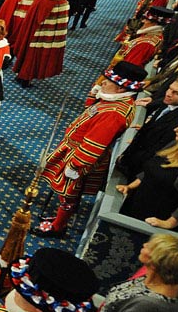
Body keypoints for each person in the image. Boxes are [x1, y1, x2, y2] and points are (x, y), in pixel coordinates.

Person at [35, 62, 148, 237]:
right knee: (68, 192)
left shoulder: (114, 113)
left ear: (120, 88)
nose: (103, 82)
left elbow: (95, 143)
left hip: (79, 157)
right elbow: (90, 111)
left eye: (108, 81)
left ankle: (58, 226)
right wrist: (93, 94)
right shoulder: (115, 100)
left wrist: (75, 165)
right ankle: (59, 220)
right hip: (73, 150)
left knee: (69, 194)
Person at [117, 111, 178, 231]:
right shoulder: (176, 144)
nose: (175, 129)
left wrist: (169, 223)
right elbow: (152, 170)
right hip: (136, 205)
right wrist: (130, 186)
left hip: (157, 221)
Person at [117, 75, 178, 179]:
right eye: (170, 88)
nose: (168, 94)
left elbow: (158, 151)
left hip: (136, 172)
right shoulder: (172, 102)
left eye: (177, 93)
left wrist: (126, 163)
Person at [12, 0, 70, 88]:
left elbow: (30, 17)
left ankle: (21, 76)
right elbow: (62, 24)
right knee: (39, 57)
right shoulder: (63, 3)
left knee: (28, 55)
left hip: (34, 32)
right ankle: (26, 79)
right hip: (49, 37)